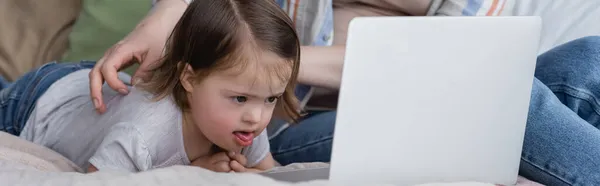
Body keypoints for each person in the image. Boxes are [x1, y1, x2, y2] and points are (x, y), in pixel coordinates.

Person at [90, 0, 600, 185]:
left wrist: (272, 64)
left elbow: (449, 66)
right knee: (500, 99)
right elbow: (204, 22)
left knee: (587, 57)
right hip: (291, 119)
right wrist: (169, 9)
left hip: (421, 97)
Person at [0, 0, 301, 173]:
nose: (258, 117)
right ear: (190, 78)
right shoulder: (144, 134)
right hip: (37, 103)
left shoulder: (244, 126)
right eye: (239, 98)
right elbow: (96, 180)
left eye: (271, 98)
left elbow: (267, 173)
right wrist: (194, 175)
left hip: (103, 102)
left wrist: (242, 174)